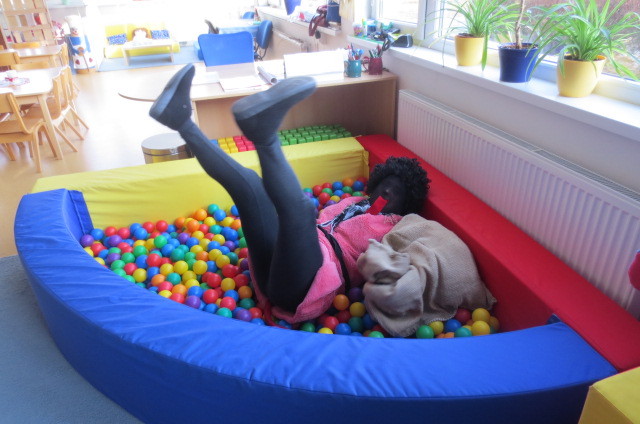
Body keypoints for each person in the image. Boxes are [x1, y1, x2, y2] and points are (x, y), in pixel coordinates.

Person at [149, 64, 429, 323]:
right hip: (274, 268)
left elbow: (413, 256)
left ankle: (264, 134)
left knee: (302, 211)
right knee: (251, 187)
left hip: (309, 285)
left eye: (397, 192)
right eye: (386, 182)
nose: (388, 189)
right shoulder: (353, 200)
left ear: (405, 205)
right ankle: (180, 119)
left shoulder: (396, 228)